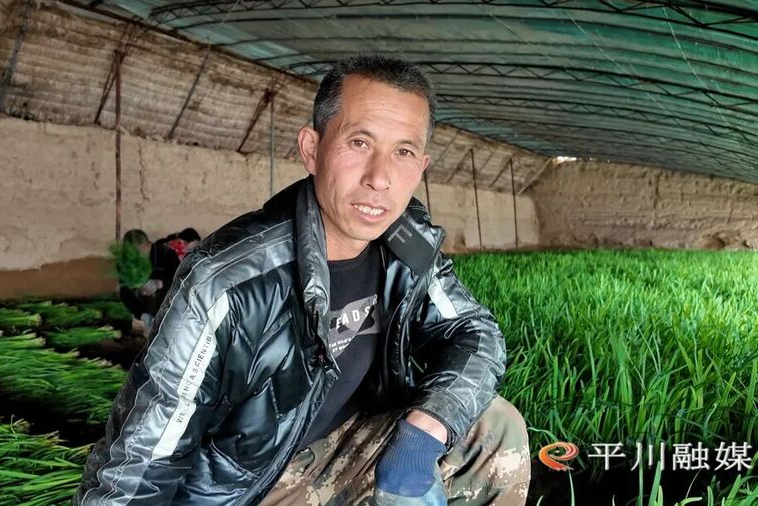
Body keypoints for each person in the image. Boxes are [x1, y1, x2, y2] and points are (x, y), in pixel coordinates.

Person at [75, 55, 530, 505]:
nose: (380, 178)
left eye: (403, 152)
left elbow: (474, 332)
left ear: (422, 166)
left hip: (343, 446)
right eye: (359, 143)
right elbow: (140, 460)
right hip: (251, 488)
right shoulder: (225, 283)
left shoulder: (406, 245)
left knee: (493, 430)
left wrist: (424, 431)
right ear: (311, 149)